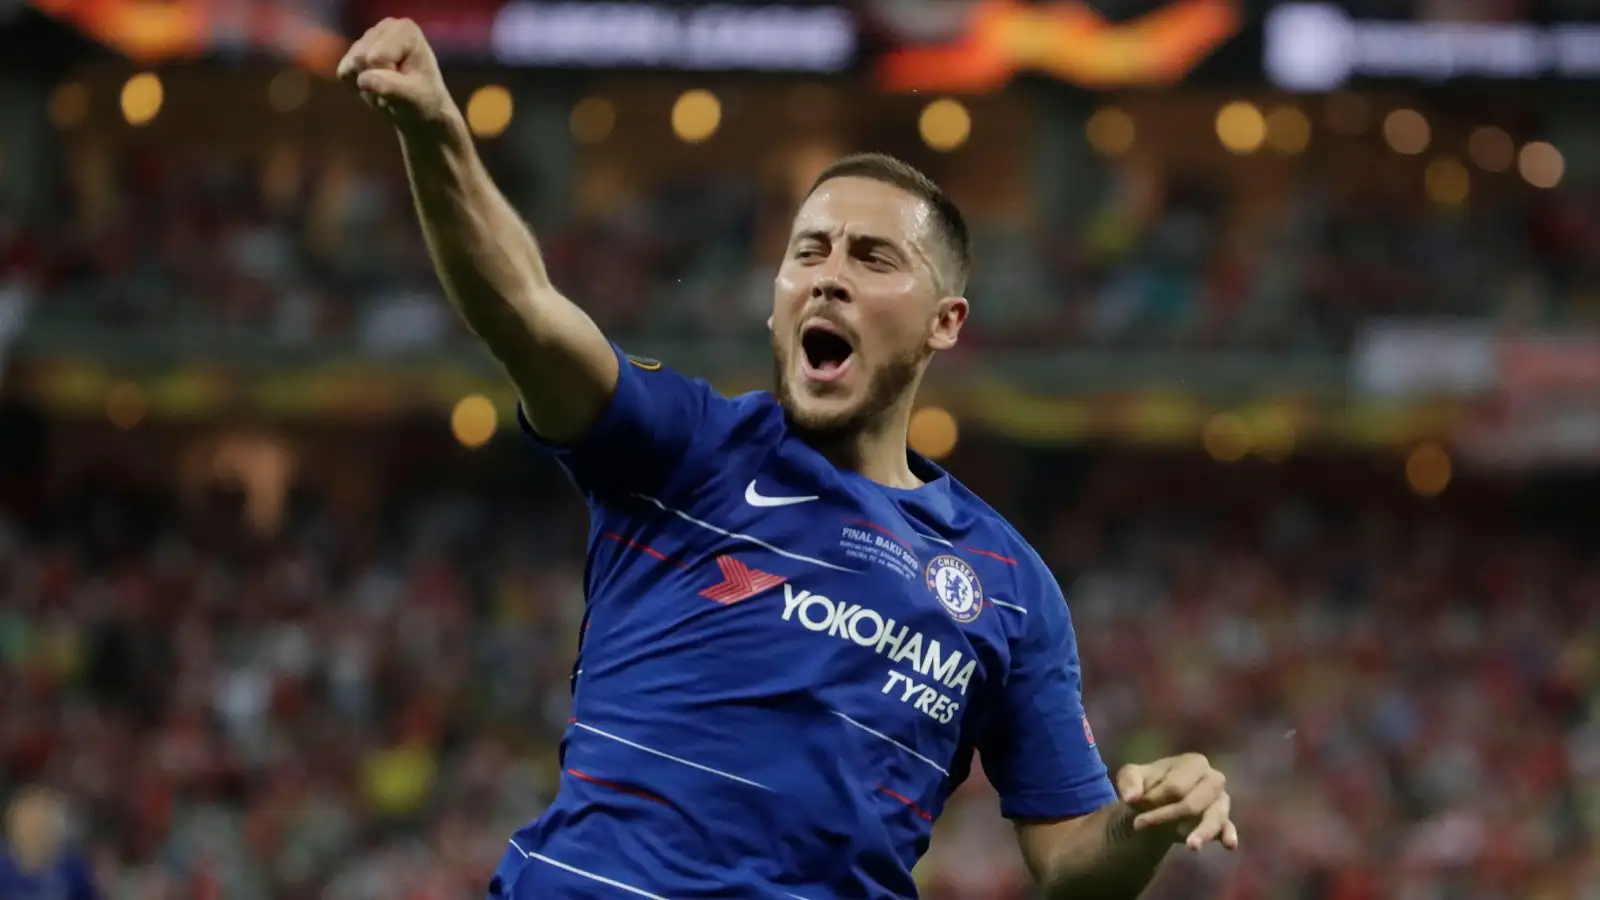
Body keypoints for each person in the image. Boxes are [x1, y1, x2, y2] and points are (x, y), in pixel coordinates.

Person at [338, 19, 1238, 899]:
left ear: (944, 323)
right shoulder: (687, 449)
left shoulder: (1006, 583)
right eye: (809, 251)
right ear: (778, 302)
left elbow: (1072, 861)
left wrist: (1141, 821)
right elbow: (527, 312)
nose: (829, 274)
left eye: (873, 257)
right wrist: (438, 134)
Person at [0, 787, 99, 900]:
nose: (36, 831)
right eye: (29, 824)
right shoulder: (3, 872)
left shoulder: (73, 870)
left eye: (43, 824)